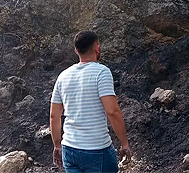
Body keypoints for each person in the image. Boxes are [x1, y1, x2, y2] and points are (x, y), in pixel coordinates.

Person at [50, 31, 132, 173]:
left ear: (76, 50)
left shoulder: (63, 76)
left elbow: (54, 115)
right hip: (97, 149)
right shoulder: (101, 72)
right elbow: (112, 112)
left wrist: (57, 145)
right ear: (97, 48)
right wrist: (124, 144)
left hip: (69, 149)